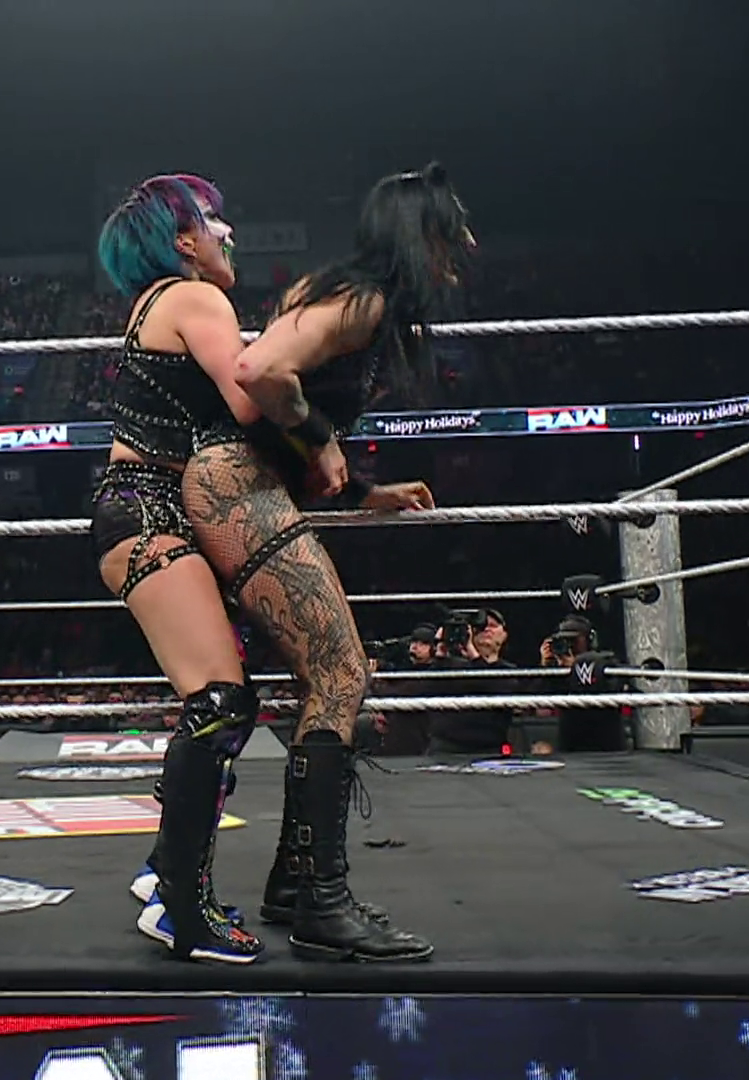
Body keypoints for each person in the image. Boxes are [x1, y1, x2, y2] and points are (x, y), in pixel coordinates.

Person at [180, 162, 474, 962]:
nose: (466, 246)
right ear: (421, 236)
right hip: (235, 485)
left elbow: (291, 420)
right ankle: (322, 902)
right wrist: (322, 439)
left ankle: (294, 885)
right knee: (343, 672)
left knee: (328, 677)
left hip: (251, 483)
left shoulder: (354, 299)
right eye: (452, 230)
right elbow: (259, 372)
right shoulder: (362, 299)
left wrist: (365, 491)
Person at [88, 173, 266, 964]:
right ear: (183, 240)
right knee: (220, 702)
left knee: (229, 699)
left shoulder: (158, 303)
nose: (229, 233)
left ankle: (166, 867)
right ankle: (181, 911)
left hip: (151, 509)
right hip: (149, 511)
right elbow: (254, 401)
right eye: (214, 221)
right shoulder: (195, 298)